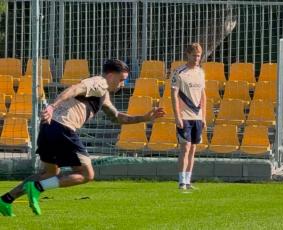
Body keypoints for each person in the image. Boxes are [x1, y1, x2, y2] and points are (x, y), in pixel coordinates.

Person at [0, 59, 165, 216]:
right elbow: (74, 88)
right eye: (121, 80)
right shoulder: (99, 82)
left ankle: (6, 200)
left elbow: (117, 117)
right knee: (86, 174)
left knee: (49, 173)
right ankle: (37, 187)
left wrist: (145, 118)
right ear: (110, 75)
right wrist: (52, 106)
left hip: (49, 126)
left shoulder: (103, 93)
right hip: (62, 127)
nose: (122, 84)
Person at [170, 43, 206, 190]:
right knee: (185, 147)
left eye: (199, 56)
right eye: (194, 55)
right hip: (184, 115)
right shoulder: (178, 72)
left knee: (193, 149)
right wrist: (177, 116)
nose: (197, 58)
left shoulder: (201, 72)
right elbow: (173, 95)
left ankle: (188, 180)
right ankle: (181, 182)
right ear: (188, 55)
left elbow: (203, 95)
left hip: (197, 116)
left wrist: (204, 116)